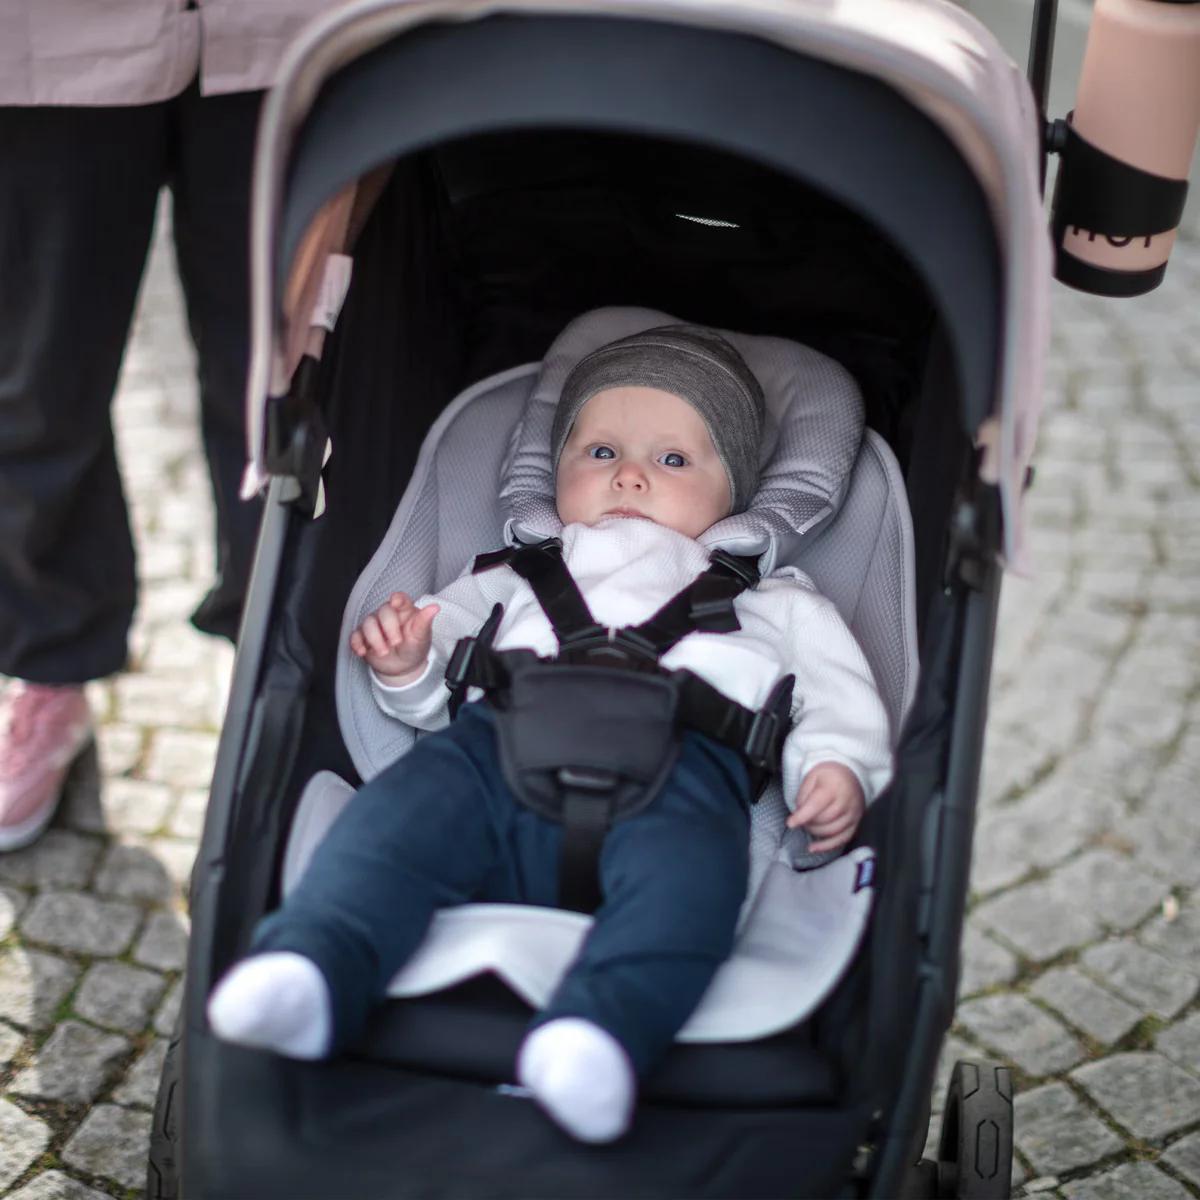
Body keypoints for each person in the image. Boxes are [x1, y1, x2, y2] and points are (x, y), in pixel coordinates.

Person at [206, 326, 893, 1143]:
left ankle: (600, 1036)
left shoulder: (779, 604)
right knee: (396, 823)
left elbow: (840, 701)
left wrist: (836, 766)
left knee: (698, 890)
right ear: (555, 466)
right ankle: (316, 965)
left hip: (678, 789)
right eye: (600, 451)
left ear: (736, 492)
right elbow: (431, 698)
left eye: (674, 459)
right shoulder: (509, 574)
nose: (629, 474)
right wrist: (406, 662)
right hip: (491, 759)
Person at [0, 1, 338, 851]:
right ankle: (51, 663)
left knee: (282, 376)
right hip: (47, 45)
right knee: (37, 377)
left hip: (277, 33)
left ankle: (269, 660)